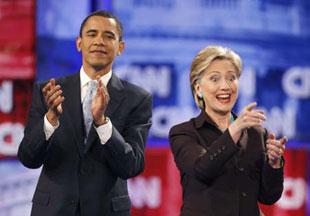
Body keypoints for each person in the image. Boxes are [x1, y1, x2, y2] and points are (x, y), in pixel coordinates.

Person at [18, 10, 152, 216]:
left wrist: (102, 122)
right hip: (53, 210)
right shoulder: (49, 91)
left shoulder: (137, 98)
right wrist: (50, 120)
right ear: (79, 43)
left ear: (120, 48)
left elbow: (132, 165)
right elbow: (28, 158)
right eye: (92, 34)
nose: (99, 41)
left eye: (108, 36)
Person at [169, 45, 286, 216]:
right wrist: (235, 129)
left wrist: (274, 165)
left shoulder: (257, 134)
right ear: (198, 88)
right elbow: (202, 169)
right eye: (215, 79)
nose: (225, 86)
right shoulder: (183, 133)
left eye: (231, 78)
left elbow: (269, 197)